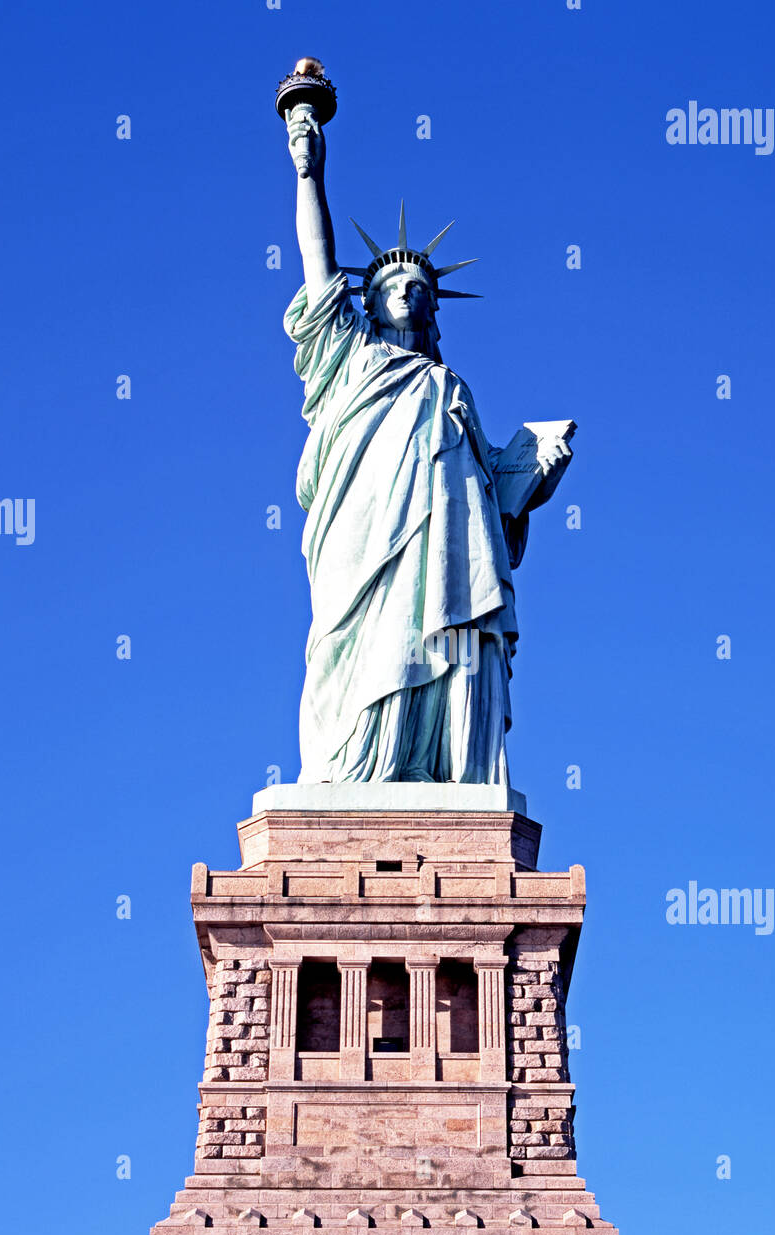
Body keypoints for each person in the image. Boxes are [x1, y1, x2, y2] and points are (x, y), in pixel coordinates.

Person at [283, 104, 571, 786]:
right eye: (391, 287)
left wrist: (537, 467)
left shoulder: (452, 388)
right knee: (348, 651)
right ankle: (354, 774)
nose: (407, 293)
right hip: (360, 543)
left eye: (418, 287)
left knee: (446, 634)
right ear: (371, 303)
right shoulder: (348, 360)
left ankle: (444, 769)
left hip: (445, 555)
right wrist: (309, 175)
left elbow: (495, 498)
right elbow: (319, 268)